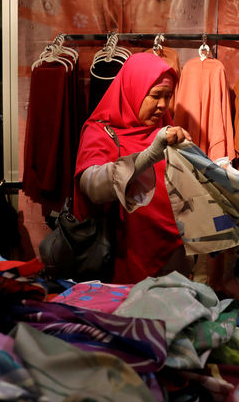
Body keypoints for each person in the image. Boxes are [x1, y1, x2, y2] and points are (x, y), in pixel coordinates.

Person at [73, 52, 191, 284]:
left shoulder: (165, 126)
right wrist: (147, 156)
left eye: (168, 96)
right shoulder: (100, 132)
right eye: (156, 96)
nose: (163, 105)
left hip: (172, 257)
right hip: (122, 257)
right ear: (133, 90)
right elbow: (92, 187)